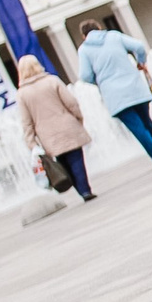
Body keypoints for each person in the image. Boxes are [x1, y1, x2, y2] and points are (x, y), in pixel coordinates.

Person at [77, 26, 152, 167]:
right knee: (147, 122)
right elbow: (139, 46)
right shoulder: (114, 36)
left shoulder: (84, 50)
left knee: (137, 128)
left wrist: (100, 81)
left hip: (114, 95)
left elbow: (85, 75)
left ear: (83, 35)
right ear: (99, 28)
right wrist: (141, 62)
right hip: (135, 87)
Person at [16, 55, 95, 202]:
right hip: (68, 126)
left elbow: (26, 121)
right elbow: (71, 103)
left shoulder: (22, 94)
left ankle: (81, 189)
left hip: (47, 136)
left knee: (62, 162)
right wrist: (78, 118)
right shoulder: (52, 81)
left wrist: (31, 143)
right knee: (76, 159)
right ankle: (85, 190)